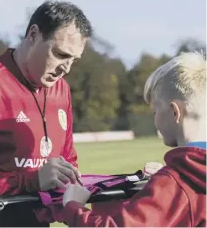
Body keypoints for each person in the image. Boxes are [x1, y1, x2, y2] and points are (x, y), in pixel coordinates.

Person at [60, 51, 206, 227]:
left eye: (155, 111)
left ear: (175, 112)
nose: (154, 119)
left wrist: (73, 207)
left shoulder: (176, 183)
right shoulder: (191, 175)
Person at [0, 0, 92, 227]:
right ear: (33, 35)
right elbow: (36, 179)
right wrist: (32, 180)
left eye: (73, 60)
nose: (65, 68)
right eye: (60, 54)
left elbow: (68, 158)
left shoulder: (61, 89)